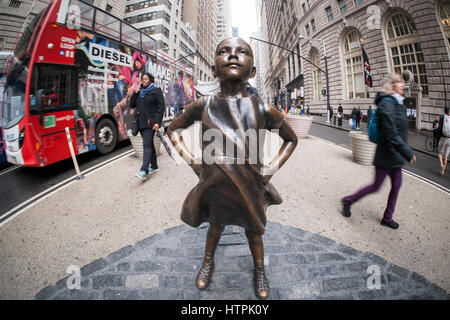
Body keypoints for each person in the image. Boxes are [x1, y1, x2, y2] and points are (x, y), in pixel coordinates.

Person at [167, 38, 298, 299]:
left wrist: (270, 169)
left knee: (254, 230)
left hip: (250, 185)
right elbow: (173, 130)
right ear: (214, 69)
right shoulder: (203, 105)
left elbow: (291, 139)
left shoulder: (261, 108)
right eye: (224, 51)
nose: (233, 56)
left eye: (242, 52)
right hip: (215, 186)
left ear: (253, 71)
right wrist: (193, 161)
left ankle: (260, 268)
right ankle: (207, 262)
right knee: (215, 226)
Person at [341, 74, 416, 230]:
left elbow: (401, 131)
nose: (403, 85)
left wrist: (402, 150)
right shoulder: (386, 104)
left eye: (403, 82)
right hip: (386, 154)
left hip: (396, 154)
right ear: (392, 85)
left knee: (396, 186)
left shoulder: (398, 103)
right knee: (376, 186)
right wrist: (407, 152)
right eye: (399, 82)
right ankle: (348, 201)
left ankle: (387, 218)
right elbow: (391, 133)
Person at [130, 73, 165, 180]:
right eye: (142, 79)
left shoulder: (156, 91)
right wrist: (135, 94)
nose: (144, 81)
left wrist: (157, 122)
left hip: (150, 123)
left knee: (146, 144)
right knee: (149, 143)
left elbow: (160, 107)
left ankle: (144, 170)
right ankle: (154, 166)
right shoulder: (140, 93)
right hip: (141, 123)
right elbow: (132, 105)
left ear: (150, 80)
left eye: (146, 79)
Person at [437, 105, 450, 176]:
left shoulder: (442, 117)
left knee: (439, 152)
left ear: (444, 110)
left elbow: (439, 128)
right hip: (449, 139)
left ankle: (442, 165)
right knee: (446, 155)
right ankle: (443, 171)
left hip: (443, 137)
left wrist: (438, 137)